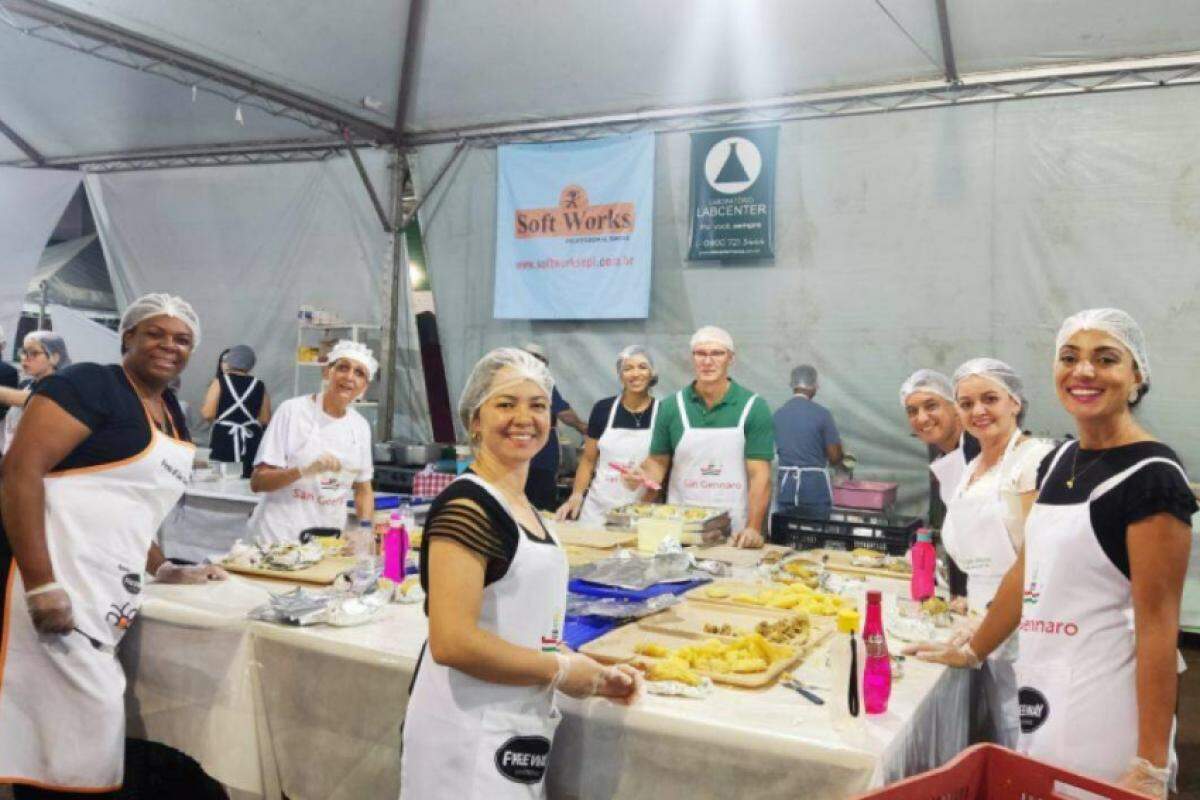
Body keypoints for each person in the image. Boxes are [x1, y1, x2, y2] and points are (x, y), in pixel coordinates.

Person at [908, 309, 1195, 798]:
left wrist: (1149, 763)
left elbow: (1158, 625)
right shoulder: (1061, 460)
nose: (1083, 372)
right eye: (1069, 357)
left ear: (1136, 375)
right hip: (1043, 683)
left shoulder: (1153, 476)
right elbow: (1028, 569)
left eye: (1105, 359)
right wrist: (975, 647)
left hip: (1108, 700)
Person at [0, 293, 228, 797]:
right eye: (155, 333)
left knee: (75, 744)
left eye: (182, 339)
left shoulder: (169, 410)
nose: (169, 345)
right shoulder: (89, 385)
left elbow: (131, 504)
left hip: (105, 591)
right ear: (127, 337)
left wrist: (161, 565)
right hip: (50, 579)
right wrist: (41, 585)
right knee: (61, 746)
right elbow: (19, 472)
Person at [400, 348, 640, 799]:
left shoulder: (525, 508)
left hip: (511, 729)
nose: (523, 418)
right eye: (505, 404)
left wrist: (592, 671)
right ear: (475, 418)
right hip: (465, 734)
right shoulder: (467, 506)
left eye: (537, 404)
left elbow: (520, 623)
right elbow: (452, 641)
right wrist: (562, 670)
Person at [941, 357, 1054, 747]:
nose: (978, 411)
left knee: (1021, 729)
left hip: (1021, 618)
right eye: (967, 403)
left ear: (1015, 402)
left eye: (990, 399)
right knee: (994, 728)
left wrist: (990, 617)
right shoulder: (972, 467)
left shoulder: (1032, 459)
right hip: (978, 615)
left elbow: (1038, 558)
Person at [624, 326, 775, 549]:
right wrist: (640, 476)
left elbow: (760, 476)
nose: (708, 361)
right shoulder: (671, 407)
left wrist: (753, 527)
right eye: (701, 354)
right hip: (679, 530)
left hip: (733, 530)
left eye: (717, 353)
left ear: (731, 359)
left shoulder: (753, 407)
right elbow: (658, 463)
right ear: (692, 358)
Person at [249, 340, 375, 543]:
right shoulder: (292, 411)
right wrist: (301, 470)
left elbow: (363, 489)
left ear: (364, 387)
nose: (350, 377)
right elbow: (258, 481)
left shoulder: (360, 426)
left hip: (327, 540)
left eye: (359, 373)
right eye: (343, 367)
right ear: (327, 372)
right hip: (279, 539)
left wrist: (366, 528)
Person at [900, 368, 982, 601]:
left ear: (955, 407)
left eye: (931, 406)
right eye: (912, 411)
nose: (922, 418)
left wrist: (968, 595)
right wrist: (958, 595)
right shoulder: (946, 454)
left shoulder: (979, 450)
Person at [555, 345, 659, 525]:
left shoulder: (663, 413)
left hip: (640, 509)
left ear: (651, 373)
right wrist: (577, 495)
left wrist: (646, 504)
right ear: (620, 375)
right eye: (628, 368)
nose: (635, 374)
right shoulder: (603, 409)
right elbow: (588, 460)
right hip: (598, 509)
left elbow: (661, 467)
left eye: (642, 367)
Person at [773, 364, 844, 520]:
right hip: (814, 490)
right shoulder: (822, 414)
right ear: (814, 386)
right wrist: (842, 457)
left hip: (786, 490)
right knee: (816, 536)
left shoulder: (778, 414)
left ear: (793, 385)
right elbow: (834, 456)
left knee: (787, 536)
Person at [521, 343, 587, 510]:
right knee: (540, 504)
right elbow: (563, 412)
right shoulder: (541, 383)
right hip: (538, 454)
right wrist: (583, 428)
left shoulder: (508, 382)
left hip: (519, 455)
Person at [201, 344, 271, 479]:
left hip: (224, 437)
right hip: (250, 438)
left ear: (230, 361)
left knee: (222, 477)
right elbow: (265, 419)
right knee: (246, 478)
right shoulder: (259, 384)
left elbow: (207, 413)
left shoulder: (219, 381)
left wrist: (221, 422)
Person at [0, 331, 72, 455]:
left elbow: (36, 398)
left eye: (34, 353)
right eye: (24, 352)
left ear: (54, 357)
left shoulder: (62, 388)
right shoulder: (25, 385)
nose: (25, 358)